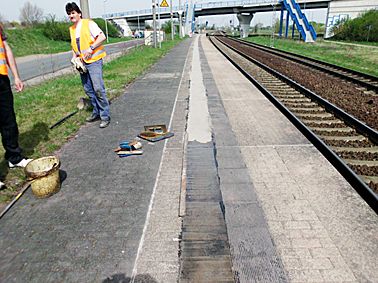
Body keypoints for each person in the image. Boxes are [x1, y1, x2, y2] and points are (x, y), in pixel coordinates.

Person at [66, 2, 111, 128]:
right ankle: (96, 112)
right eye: (69, 14)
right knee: (89, 90)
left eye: (73, 13)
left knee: (98, 88)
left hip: (94, 60)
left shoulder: (89, 23)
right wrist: (74, 58)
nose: (71, 16)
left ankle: (105, 116)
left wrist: (91, 48)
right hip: (82, 64)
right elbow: (74, 46)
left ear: (79, 13)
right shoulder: (72, 29)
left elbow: (101, 37)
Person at [0, 24, 32, 169]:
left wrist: (16, 77)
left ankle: (14, 158)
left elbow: (5, 48)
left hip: (1, 78)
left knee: (9, 121)